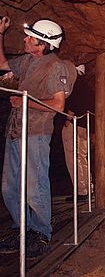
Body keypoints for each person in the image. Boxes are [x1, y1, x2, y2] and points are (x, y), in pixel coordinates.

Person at [0, 17, 76, 259]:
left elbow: (58, 104)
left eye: (30, 37)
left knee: (35, 187)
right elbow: (3, 66)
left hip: (36, 134)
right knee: (10, 187)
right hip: (15, 130)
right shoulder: (26, 62)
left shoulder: (55, 67)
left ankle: (41, 232)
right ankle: (22, 228)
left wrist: (25, 101)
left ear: (42, 44)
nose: (25, 39)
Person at [62, 65, 95, 202]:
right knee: (82, 157)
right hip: (84, 126)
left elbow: (74, 102)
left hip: (74, 124)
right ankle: (88, 188)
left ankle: (81, 192)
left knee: (73, 157)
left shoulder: (75, 84)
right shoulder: (88, 87)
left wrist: (68, 119)